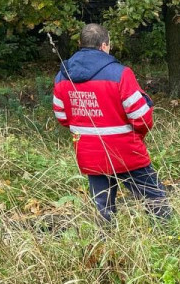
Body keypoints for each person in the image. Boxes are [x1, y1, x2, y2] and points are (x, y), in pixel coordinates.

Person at [52, 24, 172, 222]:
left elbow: (62, 116)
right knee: (155, 200)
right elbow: (141, 117)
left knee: (103, 209)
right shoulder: (120, 73)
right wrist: (138, 134)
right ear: (105, 46)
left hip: (89, 152)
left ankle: (107, 246)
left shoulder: (63, 76)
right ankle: (167, 238)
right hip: (126, 151)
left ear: (80, 44)